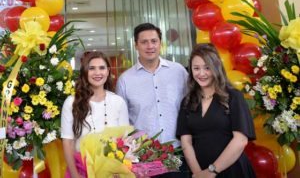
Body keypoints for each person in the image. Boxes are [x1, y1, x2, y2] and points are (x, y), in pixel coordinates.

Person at [116, 23, 189, 177]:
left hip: (179, 153)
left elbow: (191, 108)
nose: (150, 46)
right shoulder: (125, 80)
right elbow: (122, 122)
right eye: (144, 42)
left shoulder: (179, 72)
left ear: (160, 43)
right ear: (136, 45)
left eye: (154, 41)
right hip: (143, 158)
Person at [176, 43, 257, 178]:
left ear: (216, 68)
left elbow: (240, 140)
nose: (201, 73)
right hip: (199, 171)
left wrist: (211, 171)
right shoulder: (187, 101)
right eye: (196, 68)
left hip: (233, 171)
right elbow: (186, 142)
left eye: (207, 68)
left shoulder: (234, 97)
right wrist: (198, 174)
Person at [61, 51, 130, 178]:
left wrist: (119, 169)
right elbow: (68, 143)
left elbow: (124, 141)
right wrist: (75, 175)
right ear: (85, 72)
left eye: (102, 68)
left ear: (108, 71)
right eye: (92, 68)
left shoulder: (118, 102)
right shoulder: (71, 102)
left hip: (113, 172)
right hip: (81, 170)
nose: (97, 73)